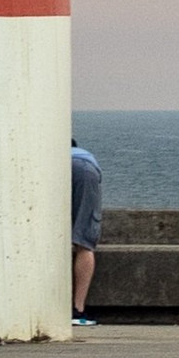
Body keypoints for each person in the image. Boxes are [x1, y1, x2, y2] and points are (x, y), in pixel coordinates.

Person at [65, 136, 105, 325]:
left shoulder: (55, 155)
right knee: (84, 242)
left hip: (54, 168)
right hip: (86, 172)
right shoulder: (84, 157)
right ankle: (78, 309)